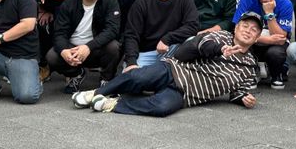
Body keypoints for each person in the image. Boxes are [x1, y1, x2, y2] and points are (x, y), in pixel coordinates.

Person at [71, 12, 263, 116]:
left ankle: (113, 104)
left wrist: (244, 98)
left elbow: (238, 91)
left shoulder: (250, 66)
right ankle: (96, 93)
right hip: (174, 69)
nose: (248, 30)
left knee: (162, 108)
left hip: (187, 94)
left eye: (253, 30)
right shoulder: (221, 36)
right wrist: (220, 49)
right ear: (236, 28)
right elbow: (202, 44)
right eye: (245, 26)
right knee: (138, 76)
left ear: (256, 38)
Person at [46, 0, 122, 94]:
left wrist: (88, 47)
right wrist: (64, 50)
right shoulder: (68, 4)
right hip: (73, 49)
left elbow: (112, 30)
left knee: (114, 47)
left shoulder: (110, 2)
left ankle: (106, 79)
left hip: (96, 48)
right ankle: (76, 74)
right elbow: (59, 33)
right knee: (52, 56)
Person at [122, 0, 199, 69]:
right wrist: (131, 62)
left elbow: (192, 26)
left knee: (192, 41)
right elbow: (131, 35)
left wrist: (167, 38)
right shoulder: (141, 3)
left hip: (173, 50)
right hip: (146, 53)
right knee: (132, 74)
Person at [233, 0, 293, 89]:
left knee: (275, 53)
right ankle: (251, 72)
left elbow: (281, 38)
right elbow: (237, 30)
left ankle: (277, 73)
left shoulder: (285, 3)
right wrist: (268, 40)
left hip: (274, 44)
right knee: (240, 43)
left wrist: (269, 13)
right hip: (253, 41)